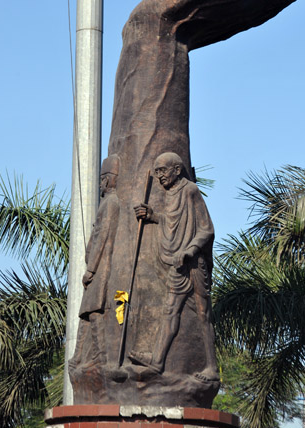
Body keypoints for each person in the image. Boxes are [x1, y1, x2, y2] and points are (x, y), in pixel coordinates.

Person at [130, 152, 218, 381]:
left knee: (203, 314)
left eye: (163, 171)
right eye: (156, 171)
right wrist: (153, 216)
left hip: (194, 265)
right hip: (176, 267)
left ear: (177, 170)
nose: (159, 176)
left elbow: (207, 229)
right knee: (170, 311)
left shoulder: (190, 191)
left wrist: (189, 250)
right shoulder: (170, 194)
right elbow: (173, 223)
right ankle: (157, 362)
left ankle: (212, 368)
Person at [69, 154, 120, 369]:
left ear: (108, 180)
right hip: (98, 266)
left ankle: (101, 355)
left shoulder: (110, 203)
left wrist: (91, 269)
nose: (100, 184)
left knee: (94, 310)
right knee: (85, 312)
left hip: (103, 266)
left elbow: (102, 237)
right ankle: (79, 356)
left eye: (101, 180)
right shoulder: (107, 203)